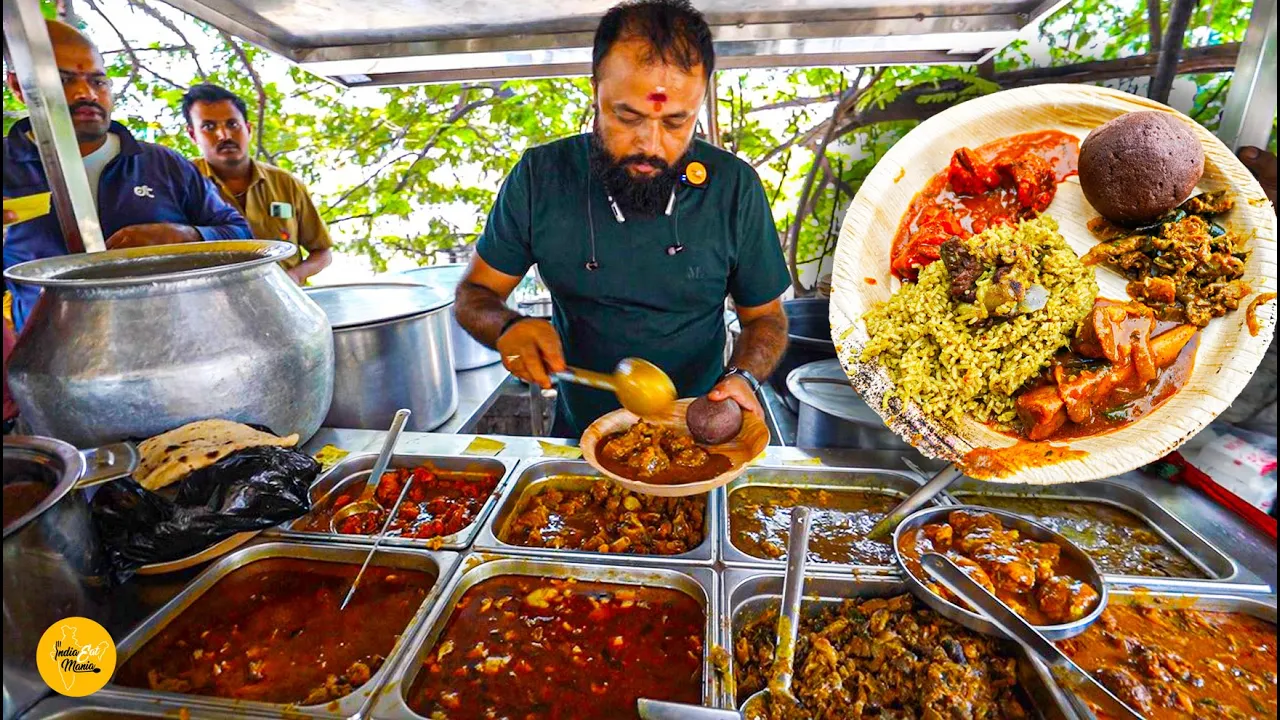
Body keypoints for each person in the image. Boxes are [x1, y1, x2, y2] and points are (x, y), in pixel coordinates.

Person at [454, 0, 790, 437]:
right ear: (594, 89)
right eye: (627, 116)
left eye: (676, 122)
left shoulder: (734, 188)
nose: (650, 144)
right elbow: (473, 294)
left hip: (700, 436)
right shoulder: (541, 177)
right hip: (580, 434)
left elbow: (767, 318)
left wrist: (743, 378)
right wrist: (507, 328)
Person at [3, 20, 251, 331]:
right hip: (52, 364)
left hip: (175, 354)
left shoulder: (161, 164)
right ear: (18, 86)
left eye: (98, 81)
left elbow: (241, 235)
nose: (87, 94)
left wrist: (185, 236)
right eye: (64, 79)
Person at [182, 84, 334, 285]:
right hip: (212, 307)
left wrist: (294, 277)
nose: (224, 135)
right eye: (209, 127)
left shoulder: (285, 183)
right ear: (193, 135)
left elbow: (322, 252)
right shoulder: (181, 184)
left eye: (232, 124)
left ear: (248, 129)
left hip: (284, 305)